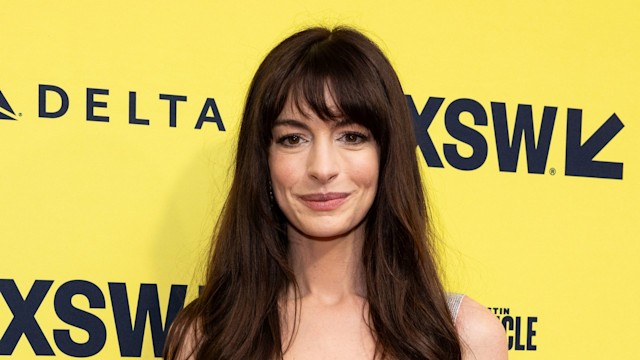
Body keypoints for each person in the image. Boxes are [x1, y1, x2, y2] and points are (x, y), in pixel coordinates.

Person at [164, 26, 507, 360]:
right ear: (263, 162)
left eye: (352, 136)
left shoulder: (464, 338)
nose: (323, 168)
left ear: (386, 155)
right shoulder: (204, 337)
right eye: (293, 139)